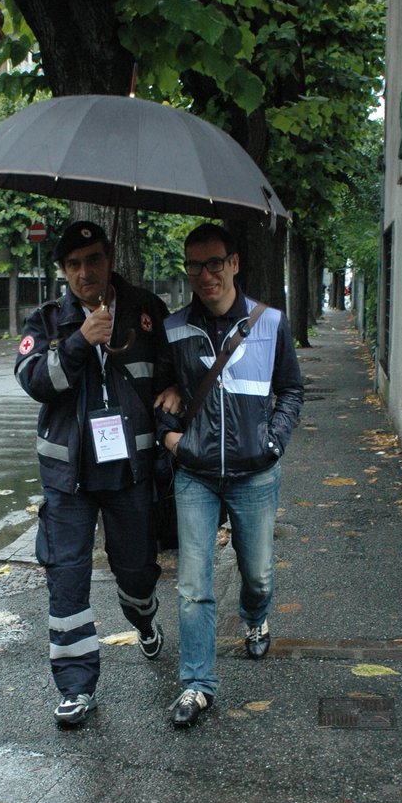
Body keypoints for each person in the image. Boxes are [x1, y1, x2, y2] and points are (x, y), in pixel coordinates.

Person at [15, 221, 179, 728]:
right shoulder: (46, 321)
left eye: (93, 259)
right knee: (67, 578)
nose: (85, 272)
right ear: (63, 272)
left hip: (131, 472)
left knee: (136, 572)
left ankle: (143, 618)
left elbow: (173, 377)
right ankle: (76, 687)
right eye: (73, 264)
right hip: (69, 480)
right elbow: (35, 381)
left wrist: (174, 403)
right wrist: (81, 341)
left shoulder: (147, 310)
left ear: (110, 260)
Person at [157, 223, 304, 728]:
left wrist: (272, 441)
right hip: (195, 474)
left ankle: (256, 617)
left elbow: (291, 391)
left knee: (258, 572)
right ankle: (197, 684)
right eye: (194, 266)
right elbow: (158, 391)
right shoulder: (175, 328)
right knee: (193, 584)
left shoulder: (272, 323)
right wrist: (169, 434)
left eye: (214, 263)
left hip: (254, 474)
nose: (205, 275)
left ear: (234, 263)